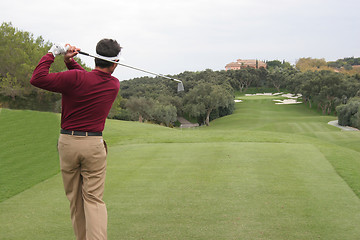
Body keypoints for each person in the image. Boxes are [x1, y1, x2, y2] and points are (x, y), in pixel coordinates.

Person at [30, 39, 122, 240]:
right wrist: (70, 62)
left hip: (68, 144)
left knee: (75, 200)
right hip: (94, 146)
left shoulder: (75, 79)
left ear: (96, 57)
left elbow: (37, 78)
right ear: (114, 63)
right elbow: (89, 79)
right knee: (94, 200)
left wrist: (52, 54)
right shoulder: (114, 84)